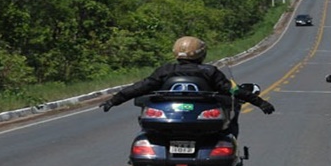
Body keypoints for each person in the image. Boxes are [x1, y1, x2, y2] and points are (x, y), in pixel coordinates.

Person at [99, 36, 275, 134]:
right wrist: (261, 103)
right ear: (202, 54)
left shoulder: (166, 70)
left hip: (169, 120)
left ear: (176, 53)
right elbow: (234, 91)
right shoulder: (210, 71)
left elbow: (140, 87)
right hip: (204, 123)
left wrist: (113, 101)